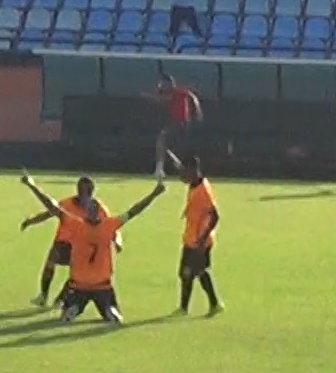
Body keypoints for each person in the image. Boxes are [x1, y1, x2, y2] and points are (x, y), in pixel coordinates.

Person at [19, 175, 168, 325]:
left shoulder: (76, 224)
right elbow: (134, 211)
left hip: (79, 283)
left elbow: (51, 206)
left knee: (73, 298)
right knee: (109, 306)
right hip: (102, 284)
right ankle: (110, 311)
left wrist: (32, 186)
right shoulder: (109, 225)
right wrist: (154, 194)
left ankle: (73, 308)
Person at [18, 175, 105, 308]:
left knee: (77, 274)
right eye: (80, 189)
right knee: (50, 264)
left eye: (85, 190)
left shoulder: (98, 209)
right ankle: (44, 296)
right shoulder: (67, 204)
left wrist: (117, 240)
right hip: (63, 243)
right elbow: (49, 212)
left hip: (82, 247)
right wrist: (31, 221)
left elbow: (109, 225)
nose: (82, 193)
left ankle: (60, 299)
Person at [175, 158, 224, 317]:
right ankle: (184, 308)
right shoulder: (194, 184)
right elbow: (183, 177)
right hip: (192, 237)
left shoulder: (204, 190)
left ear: (194, 170)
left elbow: (215, 215)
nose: (185, 176)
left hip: (200, 240)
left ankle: (214, 303)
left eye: (187, 172)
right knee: (189, 272)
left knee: (195, 271)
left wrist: (202, 240)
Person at [155, 74, 202, 180]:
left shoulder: (178, 92)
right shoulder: (167, 94)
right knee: (164, 145)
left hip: (182, 124)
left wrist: (197, 108)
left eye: (164, 84)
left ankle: (161, 168)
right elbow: (162, 100)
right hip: (175, 124)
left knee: (162, 139)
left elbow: (192, 96)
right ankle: (167, 168)